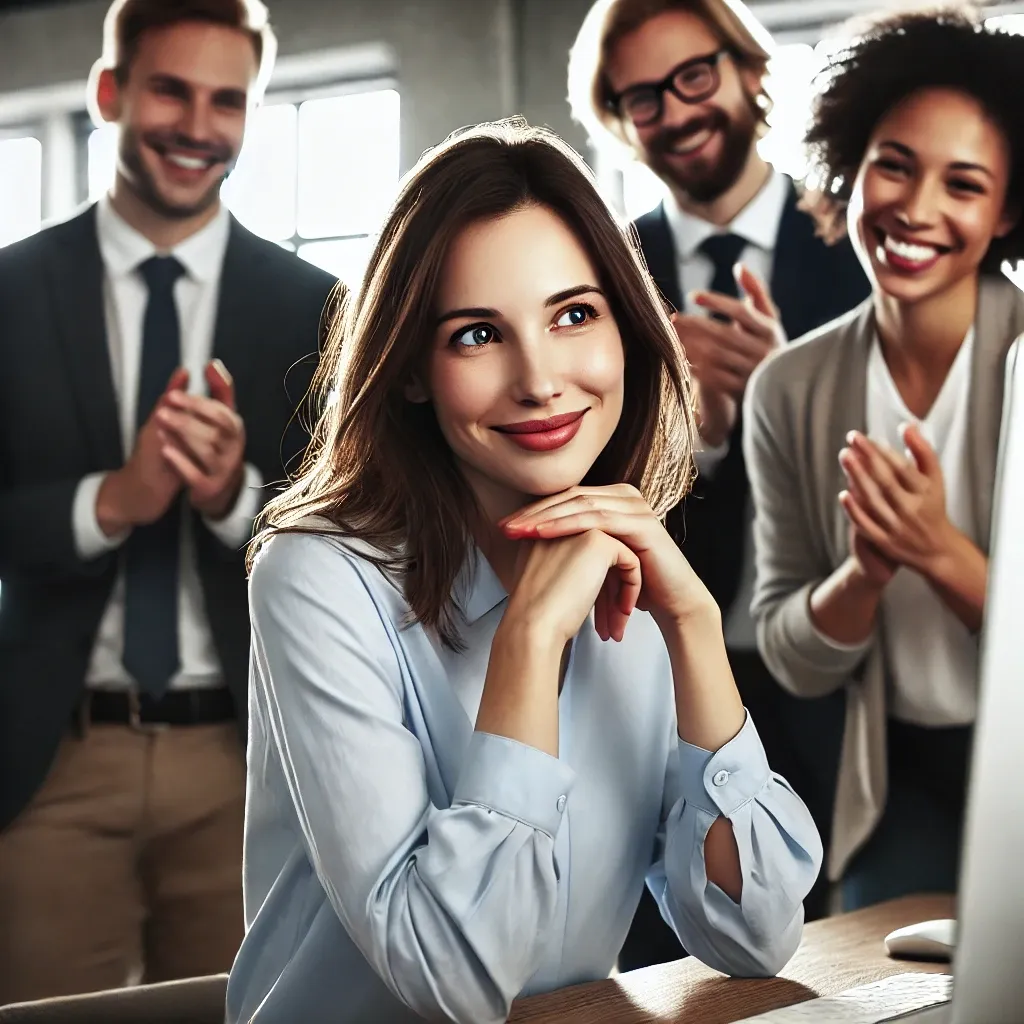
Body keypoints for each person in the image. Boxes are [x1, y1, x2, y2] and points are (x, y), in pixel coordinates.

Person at [225, 119, 821, 1024]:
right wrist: (531, 639)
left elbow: (753, 934)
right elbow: (451, 981)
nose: (540, 380)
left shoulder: (630, 565)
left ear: (625, 329)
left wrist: (694, 627)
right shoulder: (316, 577)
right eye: (475, 335)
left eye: (574, 315)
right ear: (414, 371)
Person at [0, 0, 337, 1003]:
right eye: (170, 90)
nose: (199, 124)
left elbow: (353, 527)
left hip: (247, 756)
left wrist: (235, 496)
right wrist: (114, 498)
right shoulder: (9, 293)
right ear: (110, 92)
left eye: (226, 99)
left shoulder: (315, 305)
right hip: (53, 760)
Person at [567, 0, 869, 964]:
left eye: (693, 75)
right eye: (641, 97)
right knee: (672, 963)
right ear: (619, 119)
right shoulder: (600, 271)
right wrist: (687, 441)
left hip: (838, 687)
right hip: (651, 673)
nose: (676, 110)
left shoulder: (863, 241)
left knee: (846, 961)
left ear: (746, 70)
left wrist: (783, 405)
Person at [745, 6, 1024, 912]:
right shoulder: (789, 388)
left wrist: (939, 552)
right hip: (893, 777)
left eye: (965, 184)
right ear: (851, 166)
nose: (916, 207)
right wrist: (862, 574)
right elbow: (793, 654)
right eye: (893, 165)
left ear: (1008, 210)